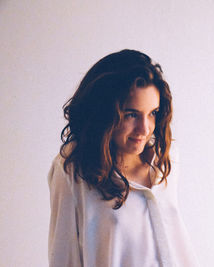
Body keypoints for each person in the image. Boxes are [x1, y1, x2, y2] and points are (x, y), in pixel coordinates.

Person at [48, 49, 199, 267]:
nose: (144, 128)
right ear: (104, 112)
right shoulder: (73, 169)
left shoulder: (166, 160)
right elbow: (63, 257)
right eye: (131, 114)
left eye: (152, 113)